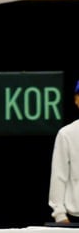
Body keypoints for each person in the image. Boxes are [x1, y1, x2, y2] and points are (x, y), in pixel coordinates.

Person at [48, 80, 79, 224]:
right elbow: (58, 175)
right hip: (75, 218)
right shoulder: (66, 134)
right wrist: (59, 214)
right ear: (77, 100)